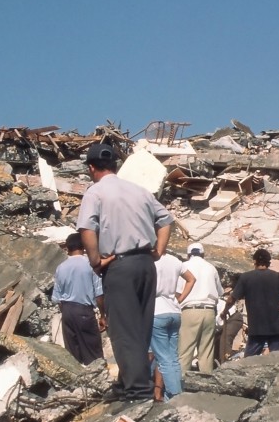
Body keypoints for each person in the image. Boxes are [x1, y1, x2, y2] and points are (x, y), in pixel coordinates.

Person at [77, 143, 174, 402]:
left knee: (122, 330)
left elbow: (86, 228)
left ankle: (137, 392)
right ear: (115, 165)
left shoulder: (95, 192)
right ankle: (125, 385)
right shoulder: (139, 190)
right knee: (140, 328)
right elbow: (166, 220)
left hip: (120, 266)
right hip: (146, 264)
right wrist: (159, 251)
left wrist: (96, 260)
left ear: (91, 167)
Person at [221, 248, 279, 357]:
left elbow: (232, 299)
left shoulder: (246, 278)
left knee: (249, 363)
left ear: (254, 261)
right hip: (277, 328)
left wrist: (225, 311)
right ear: (269, 263)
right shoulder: (277, 277)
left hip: (257, 329)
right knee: (278, 361)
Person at [52, 232, 105, 365]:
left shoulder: (60, 268)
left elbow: (57, 297)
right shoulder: (90, 264)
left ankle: (78, 381)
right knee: (93, 351)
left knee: (72, 351)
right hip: (84, 311)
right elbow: (99, 294)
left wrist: (65, 312)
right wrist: (103, 316)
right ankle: (98, 380)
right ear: (84, 246)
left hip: (67, 311)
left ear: (67, 248)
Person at [151, 252, 194, 399]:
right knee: (173, 357)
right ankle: (175, 393)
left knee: (163, 359)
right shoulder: (174, 260)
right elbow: (191, 279)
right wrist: (180, 298)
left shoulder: (151, 261)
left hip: (157, 310)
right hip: (174, 311)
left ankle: (175, 394)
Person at [177, 242, 222, 374]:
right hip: (209, 311)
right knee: (206, 351)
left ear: (188, 255)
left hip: (190, 310)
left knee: (185, 351)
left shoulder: (184, 266)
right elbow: (220, 291)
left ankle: (181, 385)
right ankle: (205, 386)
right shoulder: (211, 267)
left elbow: (177, 291)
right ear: (203, 254)